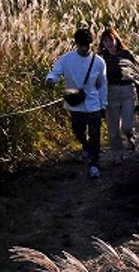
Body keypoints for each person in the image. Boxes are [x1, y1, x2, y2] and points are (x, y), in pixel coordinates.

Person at [46, 27, 108, 179]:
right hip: (75, 104)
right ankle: (87, 148)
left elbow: (102, 84)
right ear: (76, 44)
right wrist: (50, 80)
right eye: (82, 45)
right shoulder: (66, 59)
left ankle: (94, 164)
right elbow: (55, 72)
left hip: (93, 104)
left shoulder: (99, 62)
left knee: (94, 134)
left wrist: (103, 105)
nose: (85, 47)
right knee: (77, 131)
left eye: (88, 44)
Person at [98, 25, 139, 164]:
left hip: (127, 91)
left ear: (116, 39)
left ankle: (130, 136)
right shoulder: (101, 58)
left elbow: (136, 74)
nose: (108, 43)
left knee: (127, 126)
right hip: (110, 92)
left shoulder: (126, 54)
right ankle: (117, 154)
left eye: (110, 40)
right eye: (105, 41)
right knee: (113, 128)